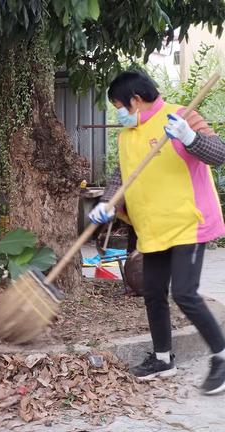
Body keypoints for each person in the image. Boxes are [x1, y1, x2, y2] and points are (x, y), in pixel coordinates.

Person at [89, 70, 225, 394]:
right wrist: (108, 203)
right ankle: (163, 359)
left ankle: (221, 355)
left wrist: (191, 139)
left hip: (188, 223)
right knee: (152, 291)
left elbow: (219, 154)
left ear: (136, 99)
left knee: (185, 293)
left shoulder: (181, 115)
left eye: (119, 105)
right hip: (153, 227)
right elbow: (121, 176)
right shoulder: (127, 136)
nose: (118, 113)